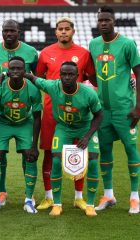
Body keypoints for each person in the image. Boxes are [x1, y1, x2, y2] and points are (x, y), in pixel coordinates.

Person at [26, 61, 103, 216]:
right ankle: (57, 204)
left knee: (93, 161)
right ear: (59, 75)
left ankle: (90, 205)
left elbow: (99, 115)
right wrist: (4, 74)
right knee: (55, 160)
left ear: (77, 76)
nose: (67, 77)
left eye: (70, 74)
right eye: (64, 74)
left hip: (85, 128)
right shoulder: (52, 86)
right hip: (63, 128)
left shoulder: (88, 93)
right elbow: (31, 77)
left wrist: (88, 136)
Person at [36, 17, 96, 211]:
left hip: (77, 113)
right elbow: (39, 77)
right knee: (49, 153)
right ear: (55, 32)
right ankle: (49, 196)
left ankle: (79, 197)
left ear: (73, 31)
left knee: (80, 153)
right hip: (51, 111)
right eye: (60, 29)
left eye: (67, 29)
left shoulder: (84, 54)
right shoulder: (46, 53)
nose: (63, 32)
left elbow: (92, 78)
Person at [89, 6, 140, 214]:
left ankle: (135, 197)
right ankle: (108, 194)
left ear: (114, 21)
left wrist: (138, 107)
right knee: (105, 151)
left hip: (125, 109)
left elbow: (138, 72)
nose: (103, 23)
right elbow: (92, 75)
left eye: (107, 20)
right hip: (103, 111)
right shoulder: (93, 44)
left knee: (131, 150)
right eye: (100, 20)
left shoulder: (127, 44)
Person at [0, 19, 38, 206]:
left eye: (12, 31)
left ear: (19, 31)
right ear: (1, 32)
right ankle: (0, 192)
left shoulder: (31, 52)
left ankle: (29, 196)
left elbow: (36, 76)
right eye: (5, 31)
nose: (8, 34)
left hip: (24, 114)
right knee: (0, 155)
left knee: (28, 155)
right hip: (2, 115)